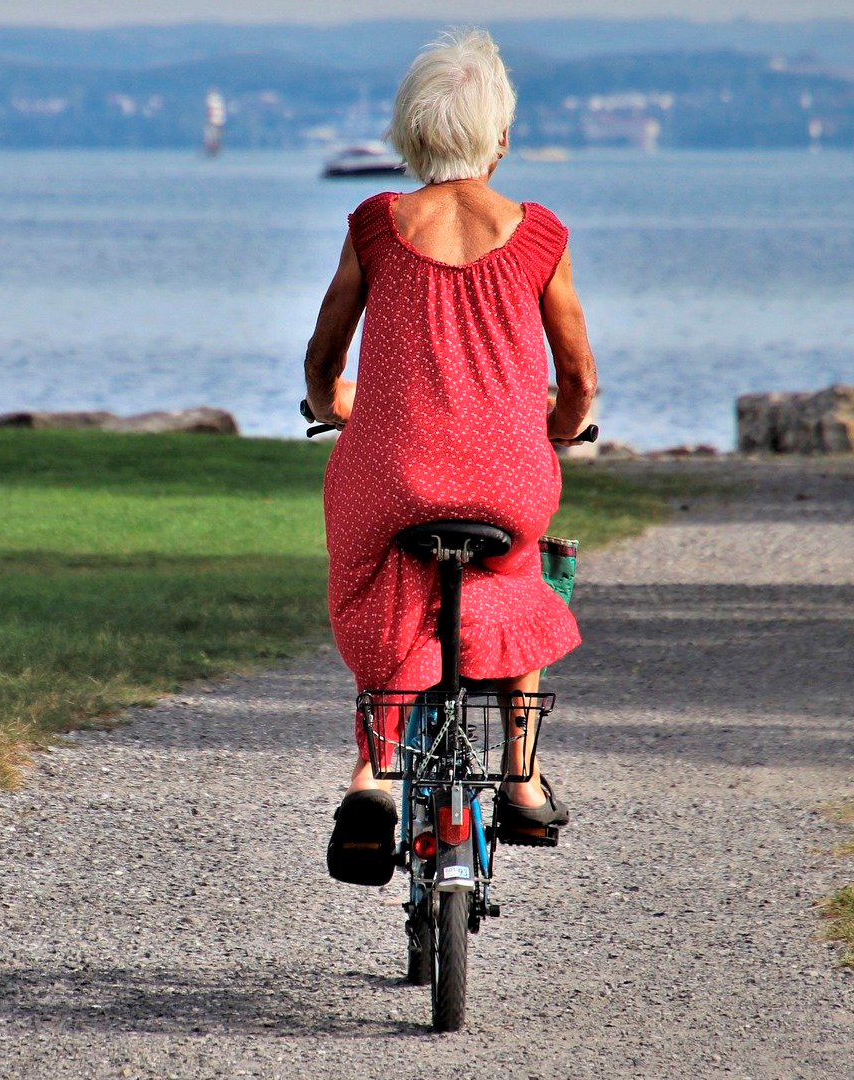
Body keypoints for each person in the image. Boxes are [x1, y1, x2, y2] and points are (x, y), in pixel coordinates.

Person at [303, 27, 598, 885]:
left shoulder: (375, 225)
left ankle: (373, 777)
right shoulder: (539, 235)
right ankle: (521, 775)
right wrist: (563, 425)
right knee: (516, 579)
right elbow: (577, 375)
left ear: (408, 135)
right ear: (499, 137)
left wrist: (333, 408)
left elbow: (325, 361)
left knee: (383, 575)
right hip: (506, 481)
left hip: (391, 475)